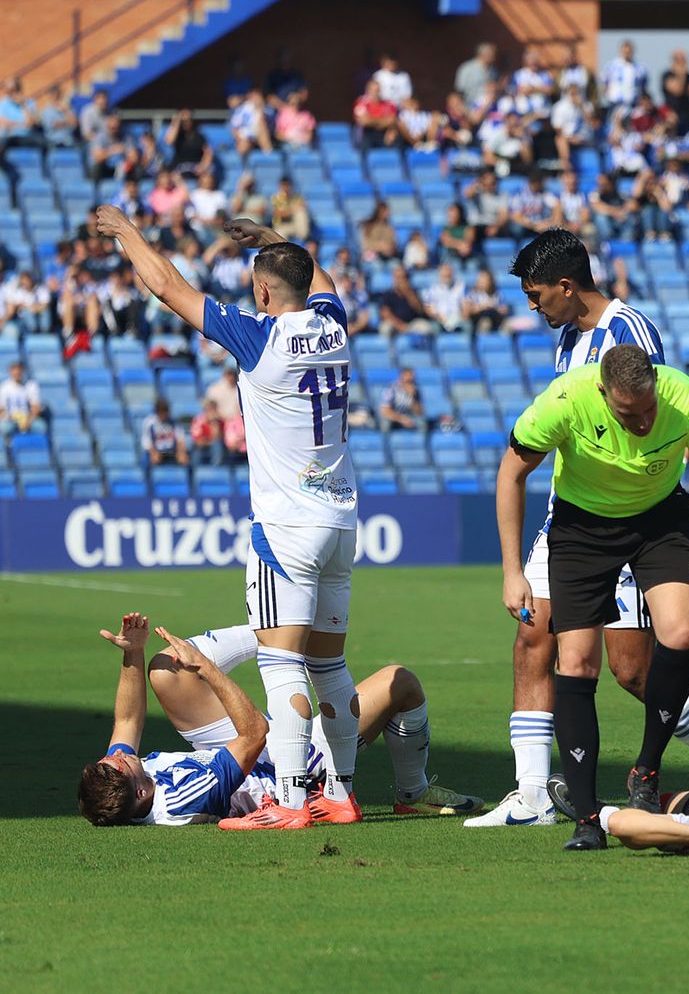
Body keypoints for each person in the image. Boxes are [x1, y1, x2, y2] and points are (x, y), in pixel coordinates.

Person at [95, 208, 361, 830]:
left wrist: (129, 231)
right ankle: (342, 795)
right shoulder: (333, 325)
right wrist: (274, 242)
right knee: (330, 664)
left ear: (263, 292)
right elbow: (318, 283)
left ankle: (291, 803)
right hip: (341, 517)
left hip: (285, 525)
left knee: (281, 663)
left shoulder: (259, 335)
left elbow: (167, 287)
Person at [468, 231, 689, 830]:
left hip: (637, 518)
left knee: (633, 669)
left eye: (537, 295)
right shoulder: (569, 336)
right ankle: (533, 792)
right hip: (574, 517)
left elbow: (649, 418)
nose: (532, 307)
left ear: (568, 286)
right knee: (533, 634)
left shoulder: (627, 334)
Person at [497, 344, 689, 850]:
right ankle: (588, 819)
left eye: (648, 410)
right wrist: (512, 572)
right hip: (581, 528)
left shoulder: (686, 401)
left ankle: (646, 774)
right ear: (602, 392)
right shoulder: (565, 400)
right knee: (576, 663)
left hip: (659, 521)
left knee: (680, 631)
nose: (642, 423)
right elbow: (511, 473)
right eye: (627, 413)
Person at [78, 614, 480, 827]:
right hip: (289, 762)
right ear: (143, 795)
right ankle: (413, 794)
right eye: (122, 763)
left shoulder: (122, 782)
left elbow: (128, 720)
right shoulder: (183, 799)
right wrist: (206, 669)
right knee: (401, 683)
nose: (122, 755)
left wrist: (131, 652)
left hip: (232, 751)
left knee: (164, 669)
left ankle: (276, 633)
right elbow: (256, 732)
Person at [140, 399, 189, 467]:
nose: (163, 414)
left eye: (165, 411)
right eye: (161, 411)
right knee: (146, 458)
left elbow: (180, 440)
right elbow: (146, 443)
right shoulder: (149, 422)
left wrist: (181, 452)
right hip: (156, 451)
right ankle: (148, 476)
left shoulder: (175, 422)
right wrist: (153, 453)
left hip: (172, 452)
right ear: (156, 412)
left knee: (185, 458)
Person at [1, 360, 44, 435]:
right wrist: (9, 417)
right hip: (10, 419)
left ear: (22, 371)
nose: (17, 373)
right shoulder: (4, 387)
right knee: (4, 428)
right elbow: (1, 410)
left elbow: (36, 406)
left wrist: (28, 420)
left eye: (19, 371)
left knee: (41, 427)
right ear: (10, 372)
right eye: (14, 371)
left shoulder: (31, 385)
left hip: (28, 418)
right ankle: (9, 444)